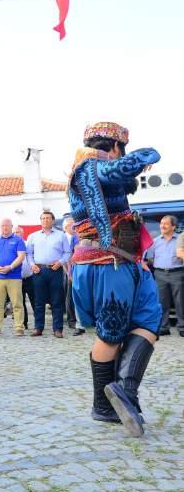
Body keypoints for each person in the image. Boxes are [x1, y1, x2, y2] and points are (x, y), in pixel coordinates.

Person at [69, 121, 162, 437]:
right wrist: (149, 153)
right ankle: (104, 403)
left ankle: (125, 392)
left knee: (150, 319)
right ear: (115, 146)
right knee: (111, 332)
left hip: (125, 261)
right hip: (104, 262)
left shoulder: (98, 171)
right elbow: (117, 170)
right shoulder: (90, 167)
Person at [26, 211, 71, 338]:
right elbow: (29, 254)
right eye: (43, 218)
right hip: (38, 271)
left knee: (57, 301)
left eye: (48, 218)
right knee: (38, 301)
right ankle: (38, 328)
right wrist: (32, 264)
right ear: (40, 221)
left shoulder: (61, 235)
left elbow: (67, 253)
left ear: (52, 221)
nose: (45, 220)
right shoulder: (33, 236)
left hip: (55, 270)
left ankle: (58, 329)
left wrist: (60, 262)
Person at [145, 215, 183, 337]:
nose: (162, 226)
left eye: (166, 223)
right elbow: (150, 259)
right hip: (160, 274)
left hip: (178, 273)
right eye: (161, 223)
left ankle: (182, 327)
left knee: (180, 302)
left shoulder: (180, 240)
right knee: (161, 302)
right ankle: (164, 327)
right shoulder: (155, 241)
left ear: (174, 226)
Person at [0, 218, 26, 336]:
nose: (5, 228)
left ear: (11, 227)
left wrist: (10, 267)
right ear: (0, 227)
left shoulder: (18, 240)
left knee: (17, 303)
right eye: (3, 225)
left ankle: (19, 327)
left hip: (14, 276)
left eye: (7, 226)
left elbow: (21, 256)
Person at [14, 226, 34, 329]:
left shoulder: (27, 244)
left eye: (18, 232)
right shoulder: (11, 245)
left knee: (35, 301)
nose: (16, 234)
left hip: (30, 277)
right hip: (17, 278)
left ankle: (38, 323)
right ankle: (23, 323)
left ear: (22, 233)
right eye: (15, 232)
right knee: (20, 302)